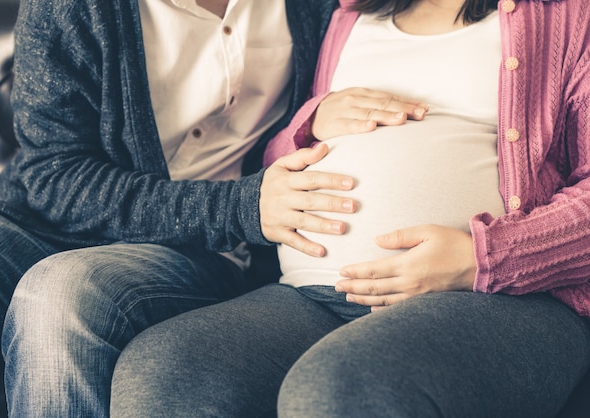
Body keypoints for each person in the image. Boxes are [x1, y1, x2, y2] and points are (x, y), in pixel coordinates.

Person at [109, 0, 590, 417]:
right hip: (314, 292)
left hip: (500, 299)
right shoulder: (348, 14)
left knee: (342, 387)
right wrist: (312, 120)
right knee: (167, 368)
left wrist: (483, 258)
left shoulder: (567, 16)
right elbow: (279, 158)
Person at [0, 0, 391, 415]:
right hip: (40, 218)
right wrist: (240, 206)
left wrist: (312, 117)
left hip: (201, 248)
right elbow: (55, 175)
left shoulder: (313, 8)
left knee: (60, 294)